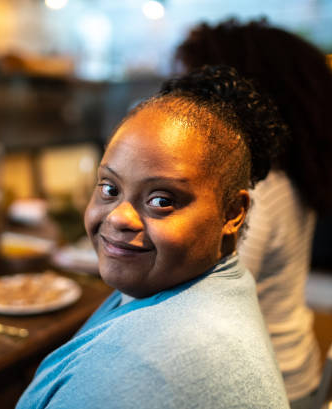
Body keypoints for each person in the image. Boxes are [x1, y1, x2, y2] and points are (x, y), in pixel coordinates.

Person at [16, 66, 290, 409]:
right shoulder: (212, 284)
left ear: (233, 213)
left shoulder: (134, 371)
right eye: (109, 188)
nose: (118, 217)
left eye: (162, 201)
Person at [174, 19, 332, 408]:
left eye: (199, 85)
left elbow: (207, 304)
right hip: (296, 367)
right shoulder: (290, 178)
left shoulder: (258, 191)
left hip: (269, 389)